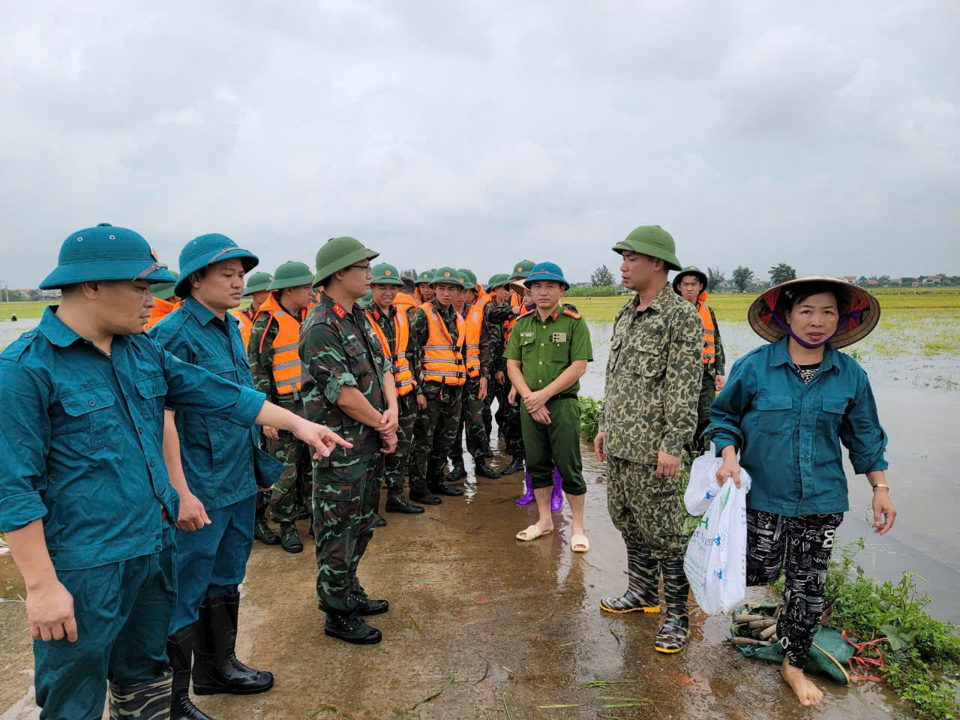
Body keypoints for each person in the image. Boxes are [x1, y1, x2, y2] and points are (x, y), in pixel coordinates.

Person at [0, 224, 347, 720]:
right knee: (73, 693)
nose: (152, 299)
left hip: (152, 549)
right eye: (142, 288)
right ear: (91, 285)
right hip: (84, 566)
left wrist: (300, 425)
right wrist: (40, 587)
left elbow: (218, 393)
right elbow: (13, 489)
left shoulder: (139, 350)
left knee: (145, 678)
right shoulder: (24, 369)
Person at [708, 277, 895, 707]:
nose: (817, 322)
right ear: (787, 316)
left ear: (841, 319)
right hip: (761, 497)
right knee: (753, 572)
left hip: (821, 501)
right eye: (807, 311)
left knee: (808, 587)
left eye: (828, 312)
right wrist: (728, 454)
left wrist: (880, 488)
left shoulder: (850, 375)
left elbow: (865, 437)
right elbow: (724, 417)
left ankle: (793, 663)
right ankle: (736, 614)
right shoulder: (755, 366)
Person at [151, 235, 284, 719]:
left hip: (236, 477)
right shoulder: (170, 335)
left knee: (227, 578)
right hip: (199, 488)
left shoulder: (231, 326)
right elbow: (162, 419)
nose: (237, 282)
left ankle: (217, 668)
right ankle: (173, 700)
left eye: (240, 274)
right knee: (183, 591)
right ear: (194, 280)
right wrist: (180, 492)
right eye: (225, 274)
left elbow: (238, 397)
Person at [593, 225, 703, 654]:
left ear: (658, 263)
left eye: (631, 259)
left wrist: (673, 444)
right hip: (621, 443)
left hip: (654, 451)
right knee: (629, 523)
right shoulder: (627, 312)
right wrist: (604, 425)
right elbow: (615, 378)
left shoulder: (680, 316)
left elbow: (684, 386)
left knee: (667, 535)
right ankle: (641, 593)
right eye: (623, 258)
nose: (623, 266)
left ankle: (677, 615)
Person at [300, 237, 399, 645]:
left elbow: (384, 366)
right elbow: (343, 393)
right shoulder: (321, 325)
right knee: (336, 529)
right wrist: (383, 423)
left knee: (361, 524)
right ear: (339, 273)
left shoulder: (357, 316)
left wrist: (390, 413)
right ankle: (336, 612)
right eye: (363, 267)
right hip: (341, 451)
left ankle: (350, 589)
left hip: (369, 442)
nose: (370, 274)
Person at [504, 262, 592, 552]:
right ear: (529, 291)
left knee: (570, 466)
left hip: (562, 406)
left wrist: (542, 396)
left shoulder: (574, 322)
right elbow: (512, 364)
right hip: (531, 407)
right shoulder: (522, 324)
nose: (542, 292)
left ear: (561, 289)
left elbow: (578, 366)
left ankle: (577, 526)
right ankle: (544, 521)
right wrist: (531, 398)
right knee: (537, 464)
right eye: (537, 286)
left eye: (550, 286)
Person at [247, 261, 316, 553]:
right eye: (306, 287)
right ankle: (284, 525)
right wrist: (267, 417)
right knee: (284, 474)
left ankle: (314, 519)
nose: (311, 292)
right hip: (282, 409)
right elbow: (258, 373)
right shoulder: (266, 324)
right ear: (289, 290)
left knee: (311, 469)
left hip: (309, 407)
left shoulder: (308, 317)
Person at [365, 262, 425, 515]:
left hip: (405, 392)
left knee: (401, 447)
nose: (388, 292)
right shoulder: (362, 316)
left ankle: (396, 496)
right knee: (375, 451)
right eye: (382, 287)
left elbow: (411, 355)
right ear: (372, 287)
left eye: (392, 287)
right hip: (376, 397)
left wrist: (418, 389)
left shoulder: (403, 316)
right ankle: (369, 507)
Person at [407, 267, 468, 503]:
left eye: (451, 288)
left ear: (458, 292)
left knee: (446, 439)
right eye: (441, 287)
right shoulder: (422, 315)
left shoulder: (458, 318)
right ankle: (418, 487)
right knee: (424, 441)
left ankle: (437, 480)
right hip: (430, 391)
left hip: (453, 389)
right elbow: (410, 354)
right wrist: (418, 390)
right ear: (433, 289)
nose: (445, 292)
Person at [448, 269, 498, 481]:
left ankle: (480, 463)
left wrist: (485, 376)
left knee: (476, 422)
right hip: (449, 380)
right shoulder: (440, 316)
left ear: (471, 293)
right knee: (453, 425)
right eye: (457, 291)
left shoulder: (477, 314)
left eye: (465, 291)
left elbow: (486, 347)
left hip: (474, 378)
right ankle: (457, 464)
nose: (461, 296)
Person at [672, 266, 726, 454]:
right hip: (680, 374)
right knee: (683, 414)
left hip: (706, 373)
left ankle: (703, 456)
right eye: (685, 284)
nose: (689, 288)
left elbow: (716, 340)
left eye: (693, 284)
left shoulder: (707, 311)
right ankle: (684, 456)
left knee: (707, 416)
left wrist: (720, 371)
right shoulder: (672, 311)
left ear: (700, 286)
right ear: (678, 287)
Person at [237, 271, 273, 350]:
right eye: (268, 291)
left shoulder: (279, 316)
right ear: (254, 292)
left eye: (273, 290)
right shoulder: (235, 319)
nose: (272, 294)